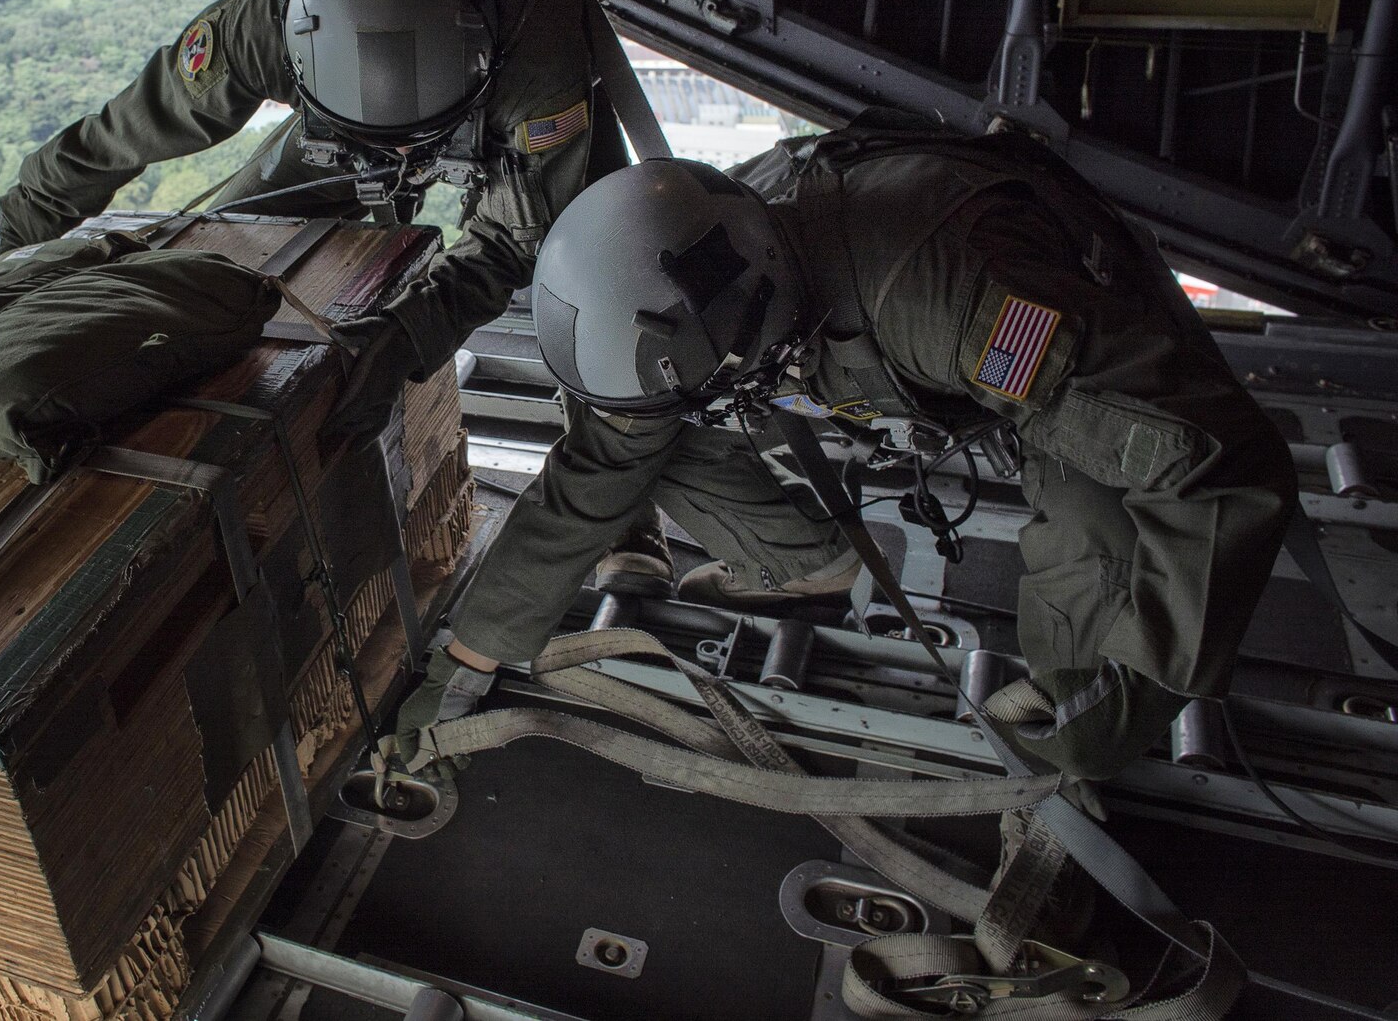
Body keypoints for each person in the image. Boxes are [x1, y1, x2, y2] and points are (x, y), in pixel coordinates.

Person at [390, 125, 1297, 781]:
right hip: (886, 326)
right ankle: (802, 562)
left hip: (1063, 346)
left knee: (1083, 722)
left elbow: (1218, 461)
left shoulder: (958, 308)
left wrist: (1145, 674)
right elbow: (607, 452)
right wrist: (470, 656)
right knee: (635, 421)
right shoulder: (693, 240)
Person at [0, 0, 670, 578]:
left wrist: (407, 333)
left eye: (413, 149)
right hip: (339, 132)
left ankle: (620, 513)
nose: (406, 169)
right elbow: (121, 135)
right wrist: (16, 239)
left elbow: (510, 246)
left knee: (592, 286)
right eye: (390, 151)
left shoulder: (541, 54)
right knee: (234, 238)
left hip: (507, 112)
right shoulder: (267, 26)